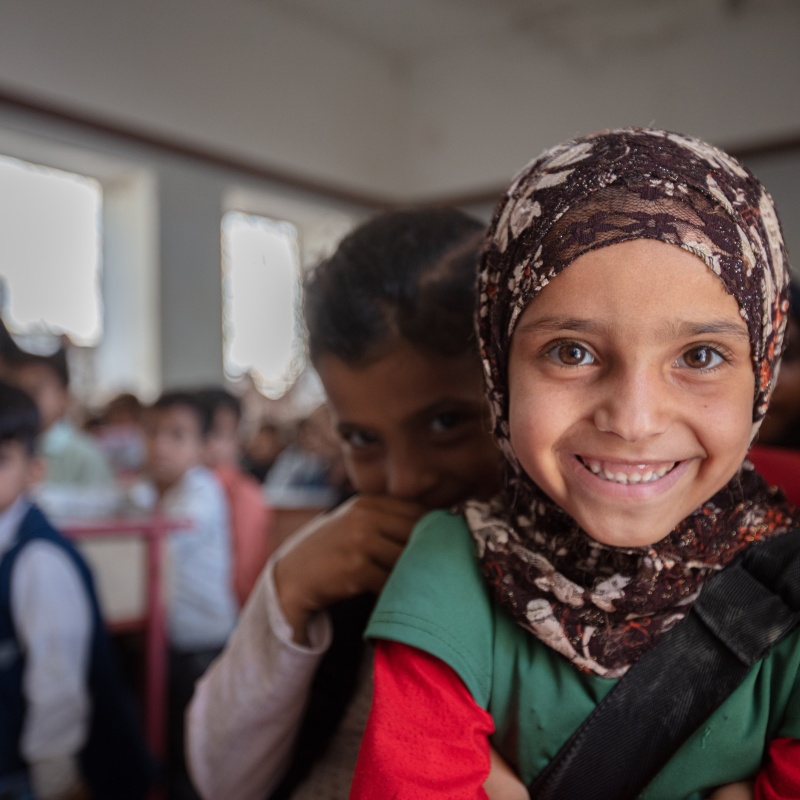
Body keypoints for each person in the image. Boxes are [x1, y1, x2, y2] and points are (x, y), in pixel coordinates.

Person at [351, 129, 800, 799]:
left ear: (762, 372)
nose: (634, 420)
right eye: (571, 352)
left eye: (700, 356)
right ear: (498, 366)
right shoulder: (453, 564)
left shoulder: (789, 581)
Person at [187, 208, 514, 799]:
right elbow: (222, 780)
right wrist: (286, 593)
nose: (405, 480)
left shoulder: (587, 584)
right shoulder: (345, 559)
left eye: (447, 422)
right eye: (362, 438)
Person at [0, 380, 155, 800]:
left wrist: (55, 780)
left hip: (32, 775)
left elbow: (57, 689)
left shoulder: (39, 560)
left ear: (34, 471)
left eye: (0, 459)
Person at [127, 390, 238, 800]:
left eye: (177, 435)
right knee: (161, 739)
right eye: (151, 432)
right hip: (165, 641)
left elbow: (165, 545)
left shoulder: (202, 490)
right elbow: (101, 501)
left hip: (201, 646)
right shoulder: (147, 489)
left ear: (203, 447)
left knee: (190, 752)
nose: (160, 445)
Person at [9, 350, 118, 518]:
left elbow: (106, 514)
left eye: (35, 391)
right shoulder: (10, 448)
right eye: (17, 393)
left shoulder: (86, 455)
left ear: (65, 398)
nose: (25, 401)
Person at [195, 386, 274, 607]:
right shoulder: (178, 488)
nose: (208, 445)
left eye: (218, 434)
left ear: (238, 438)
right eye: (201, 434)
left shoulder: (244, 495)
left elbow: (244, 581)